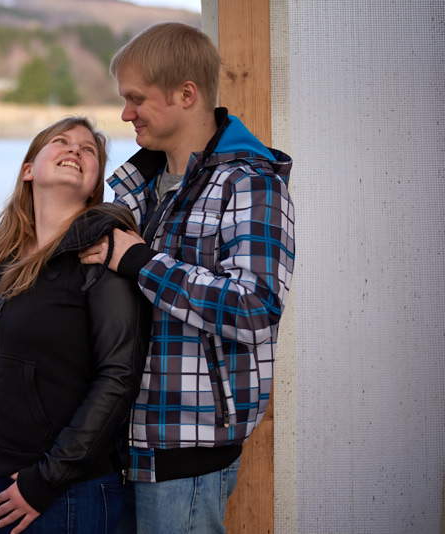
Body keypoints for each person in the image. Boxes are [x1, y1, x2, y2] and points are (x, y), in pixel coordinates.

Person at [77, 22, 295, 533]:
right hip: (112, 449)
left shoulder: (251, 184)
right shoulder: (136, 189)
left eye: (136, 99)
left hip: (186, 456)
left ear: (186, 94)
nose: (125, 113)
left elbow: (255, 308)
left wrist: (140, 262)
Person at [0, 116, 150, 534]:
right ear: (29, 170)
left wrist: (45, 481)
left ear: (94, 185)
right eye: (61, 141)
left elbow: (118, 377)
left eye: (89, 150)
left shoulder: (102, 252)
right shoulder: (10, 256)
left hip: (58, 494)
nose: (75, 150)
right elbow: (16, 348)